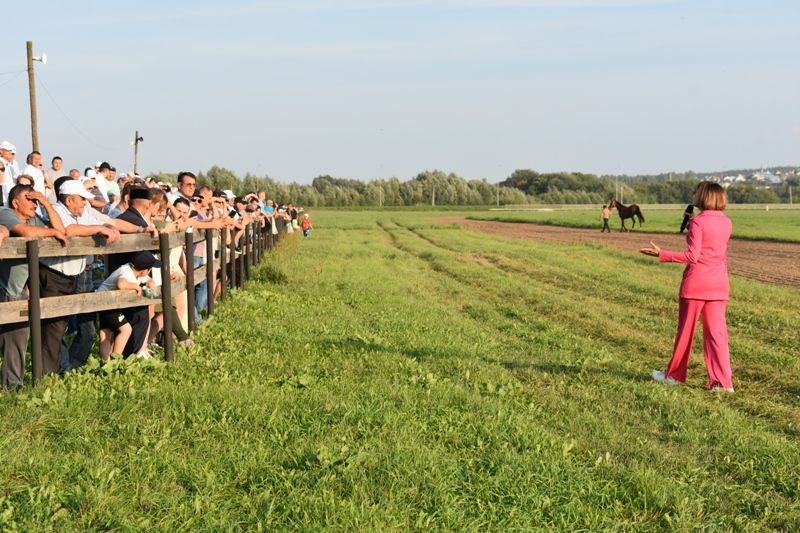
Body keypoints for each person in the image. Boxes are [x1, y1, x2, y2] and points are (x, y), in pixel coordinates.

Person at [640, 181, 734, 392]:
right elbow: (712, 242)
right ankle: (723, 383)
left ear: (704, 196)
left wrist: (662, 254)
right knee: (717, 335)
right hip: (719, 286)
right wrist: (694, 224)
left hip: (696, 284)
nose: (694, 194)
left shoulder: (698, 223)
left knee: (686, 333)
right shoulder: (727, 222)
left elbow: (693, 255)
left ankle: (674, 375)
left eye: (696, 192)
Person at [0, 185, 67, 387]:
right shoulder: (5, 213)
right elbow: (26, 232)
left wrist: (46, 203)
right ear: (15, 203)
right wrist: (52, 232)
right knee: (15, 338)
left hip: (17, 289)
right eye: (30, 200)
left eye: (36, 200)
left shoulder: (33, 219)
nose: (34, 204)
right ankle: (12, 385)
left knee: (17, 338)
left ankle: (12, 385)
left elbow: (61, 230)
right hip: (4, 287)